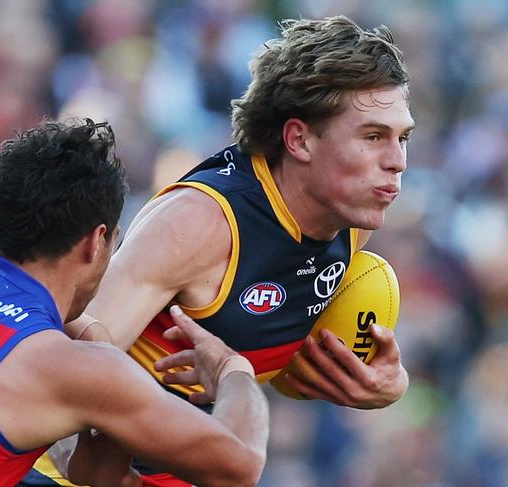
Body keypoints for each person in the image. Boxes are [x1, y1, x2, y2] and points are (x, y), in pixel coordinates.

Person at [25, 15, 415, 487]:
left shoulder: (351, 218)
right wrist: (89, 471)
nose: (397, 161)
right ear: (299, 139)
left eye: (402, 138)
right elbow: (60, 368)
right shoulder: (199, 223)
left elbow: (254, 344)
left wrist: (387, 384)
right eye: (373, 136)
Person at [0, 119, 269, 486]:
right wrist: (235, 370)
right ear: (95, 241)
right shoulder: (78, 369)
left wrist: (92, 332)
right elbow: (239, 466)